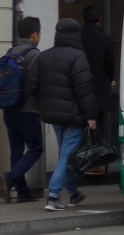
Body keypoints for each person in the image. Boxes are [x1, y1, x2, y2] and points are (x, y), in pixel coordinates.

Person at [26, 18, 98, 211]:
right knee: (66, 157)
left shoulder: (43, 56)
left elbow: (32, 86)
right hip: (72, 118)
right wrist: (90, 115)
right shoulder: (78, 57)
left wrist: (43, 106)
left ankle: (73, 193)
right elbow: (84, 89)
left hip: (53, 116)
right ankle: (53, 196)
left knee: (66, 155)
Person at [0, 16, 44, 203]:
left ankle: (23, 191)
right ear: (34, 35)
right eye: (39, 33)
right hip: (27, 109)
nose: (40, 37)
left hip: (9, 108)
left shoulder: (10, 53)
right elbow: (36, 83)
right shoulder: (34, 55)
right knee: (36, 148)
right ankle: (10, 178)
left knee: (16, 149)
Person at [80, 5, 117, 167]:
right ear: (99, 20)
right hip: (99, 87)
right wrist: (109, 80)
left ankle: (79, 159)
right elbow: (110, 64)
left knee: (79, 126)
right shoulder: (104, 39)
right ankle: (96, 163)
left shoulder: (78, 38)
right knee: (97, 124)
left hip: (80, 87)